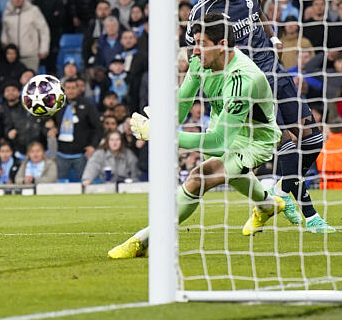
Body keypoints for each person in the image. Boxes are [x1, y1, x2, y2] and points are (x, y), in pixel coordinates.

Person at [109, 13, 286, 259]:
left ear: (222, 45)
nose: (194, 51)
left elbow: (218, 143)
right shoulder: (200, 61)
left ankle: (144, 240)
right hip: (224, 125)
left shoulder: (242, 80)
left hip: (256, 139)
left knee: (201, 176)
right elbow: (181, 106)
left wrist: (163, 136)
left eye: (201, 43)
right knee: (226, 170)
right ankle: (267, 205)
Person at [187, 0, 333, 232]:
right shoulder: (203, 11)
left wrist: (274, 36)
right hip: (251, 84)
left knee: (313, 139)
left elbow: (260, 15)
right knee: (287, 141)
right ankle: (312, 217)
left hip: (276, 71)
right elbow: (195, 49)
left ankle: (279, 189)